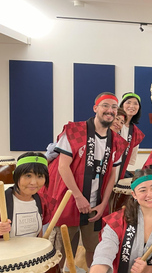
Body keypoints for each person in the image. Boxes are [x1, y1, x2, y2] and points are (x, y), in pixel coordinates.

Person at [43, 92, 128, 267]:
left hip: (96, 204)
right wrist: (78, 196)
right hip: (69, 200)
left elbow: (113, 174)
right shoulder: (74, 130)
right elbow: (63, 166)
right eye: (105, 105)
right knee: (59, 252)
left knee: (96, 249)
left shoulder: (118, 141)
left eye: (114, 107)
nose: (110, 110)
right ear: (95, 108)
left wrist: (104, 203)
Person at [90, 169, 152, 273]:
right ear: (134, 194)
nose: (149, 195)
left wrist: (148, 269)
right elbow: (104, 254)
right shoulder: (117, 221)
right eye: (143, 190)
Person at [1, 152, 51, 238]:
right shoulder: (2, 200)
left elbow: (39, 231)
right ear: (16, 176)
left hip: (32, 250)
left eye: (40, 176)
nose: (34, 182)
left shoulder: (42, 200)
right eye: (28, 175)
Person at [117, 92, 145, 182]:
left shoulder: (136, 133)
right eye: (128, 102)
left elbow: (130, 159)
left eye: (135, 104)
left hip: (120, 170)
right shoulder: (112, 124)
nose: (132, 106)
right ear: (122, 105)